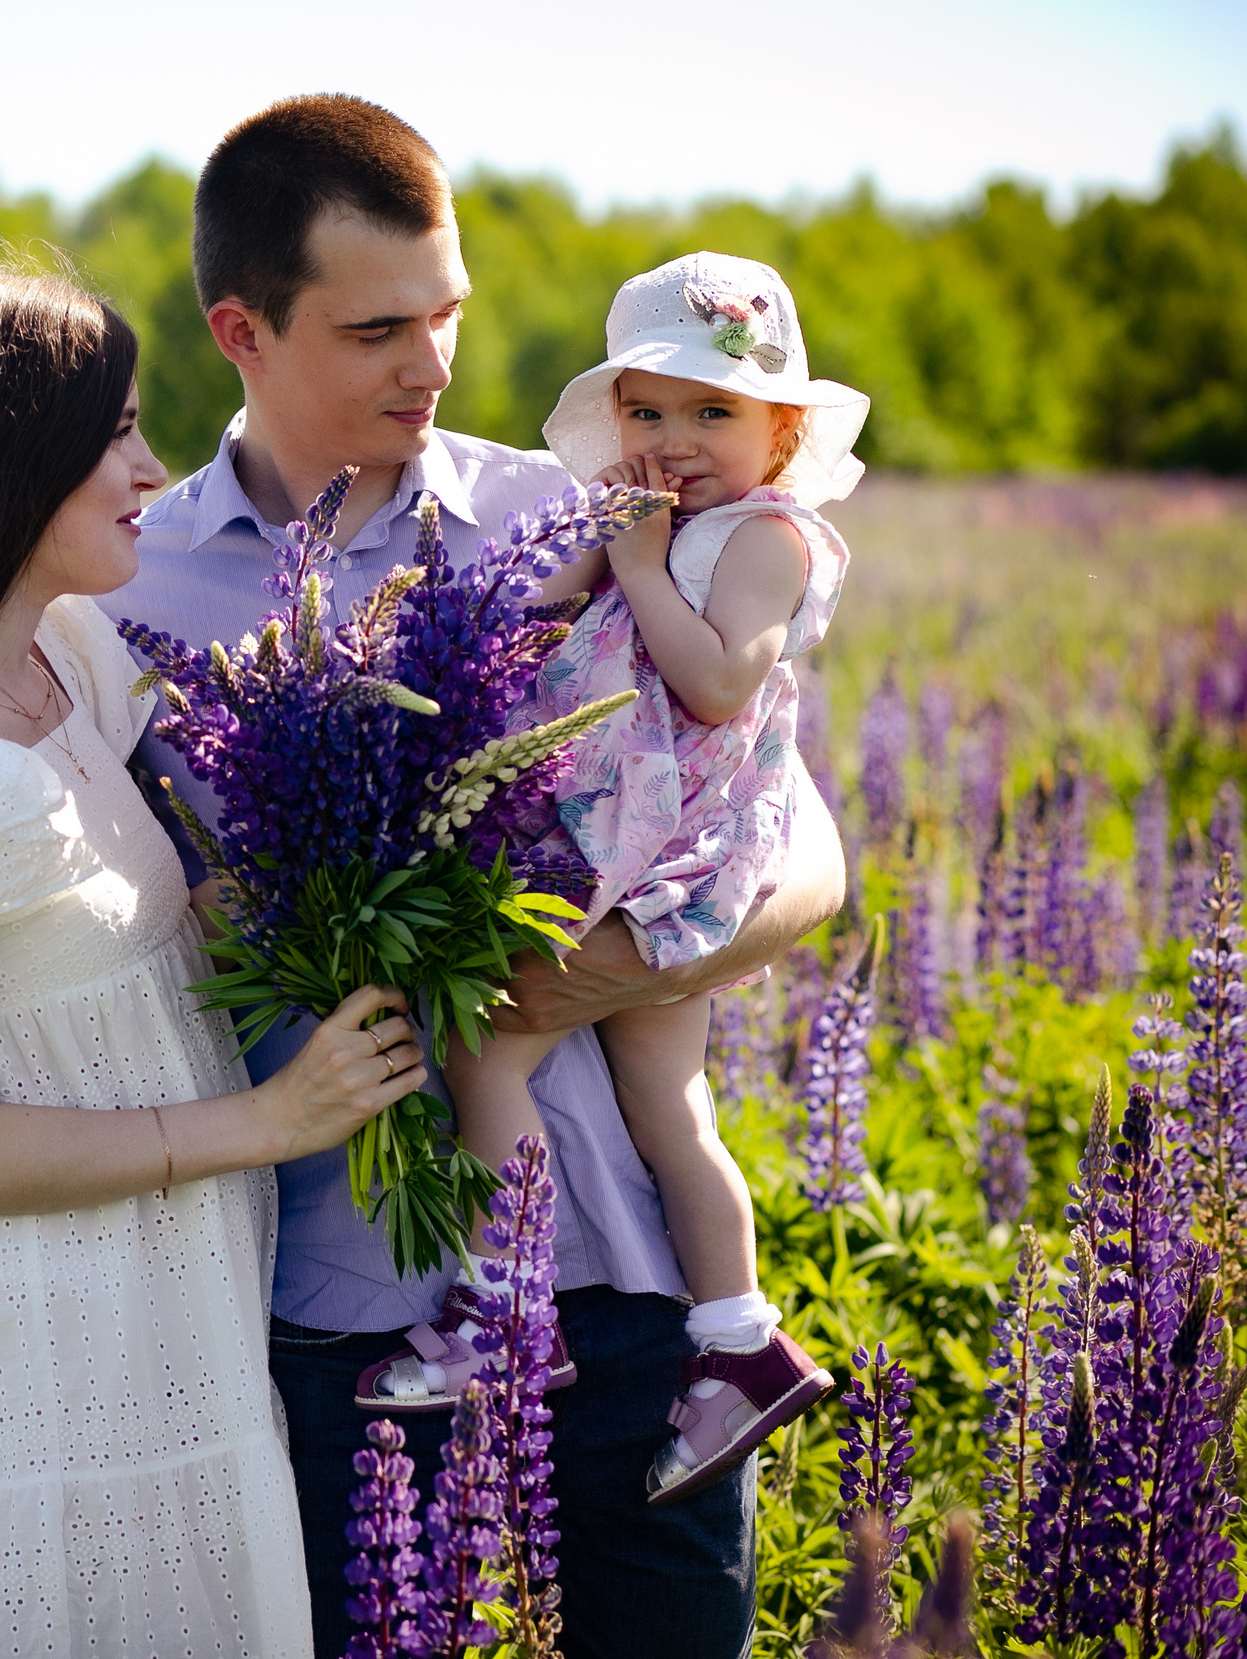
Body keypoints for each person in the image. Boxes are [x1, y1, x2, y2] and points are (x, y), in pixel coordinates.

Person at [85, 97, 845, 1658]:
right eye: (378, 329)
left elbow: (806, 852)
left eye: (446, 315)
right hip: (338, 1303)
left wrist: (605, 970)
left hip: (624, 1282)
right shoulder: (121, 581)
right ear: (242, 330)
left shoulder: (580, 511)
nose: (429, 363)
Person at [0, 269, 433, 1657]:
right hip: (37, 1371)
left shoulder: (70, 661)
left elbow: (118, 934)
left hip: (170, 1328)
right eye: (113, 435)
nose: (151, 470)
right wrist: (268, 1119)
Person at [441, 252, 866, 1507]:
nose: (673, 440)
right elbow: (529, 622)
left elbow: (722, 681)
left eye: (711, 410)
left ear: (779, 433)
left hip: (670, 851)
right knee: (661, 1105)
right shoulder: (647, 520)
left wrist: (633, 566)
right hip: (619, 833)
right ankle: (737, 1342)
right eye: (645, 409)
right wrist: (580, 557)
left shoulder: (768, 539)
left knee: (490, 1051)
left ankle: (510, 1311)